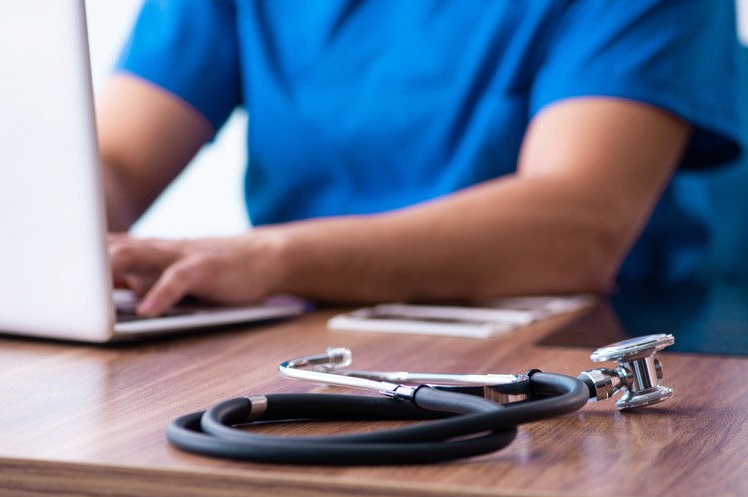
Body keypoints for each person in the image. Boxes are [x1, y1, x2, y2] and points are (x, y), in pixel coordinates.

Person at [100, 0, 745, 318]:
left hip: (568, 349)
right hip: (298, 331)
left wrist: (268, 258)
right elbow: (118, 160)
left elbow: (578, 226)